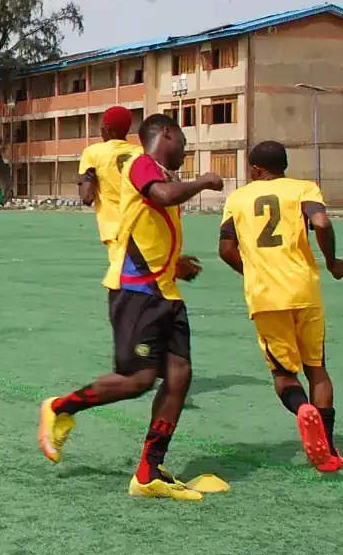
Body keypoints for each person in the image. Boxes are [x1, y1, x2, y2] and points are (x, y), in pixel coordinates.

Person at [36, 113, 224, 501]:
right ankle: (58, 407)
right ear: (166, 134)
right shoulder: (141, 164)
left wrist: (174, 264)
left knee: (179, 376)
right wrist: (205, 180)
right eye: (183, 142)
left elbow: (151, 224)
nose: (185, 151)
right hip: (137, 290)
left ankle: (148, 472)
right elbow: (160, 197)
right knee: (138, 380)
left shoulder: (158, 171)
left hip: (164, 290)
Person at [219, 140, 343, 472]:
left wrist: (253, 272)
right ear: (284, 165)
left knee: (283, 374)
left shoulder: (238, 198)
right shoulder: (303, 188)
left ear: (255, 169)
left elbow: (226, 248)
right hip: (304, 290)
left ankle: (302, 409)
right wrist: (332, 262)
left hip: (266, 296)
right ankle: (329, 451)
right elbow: (320, 222)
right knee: (316, 368)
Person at [77, 105, 142, 255]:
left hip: (116, 230)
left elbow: (86, 198)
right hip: (143, 227)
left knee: (123, 276)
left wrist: (91, 176)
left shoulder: (93, 153)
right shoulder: (141, 152)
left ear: (107, 129)